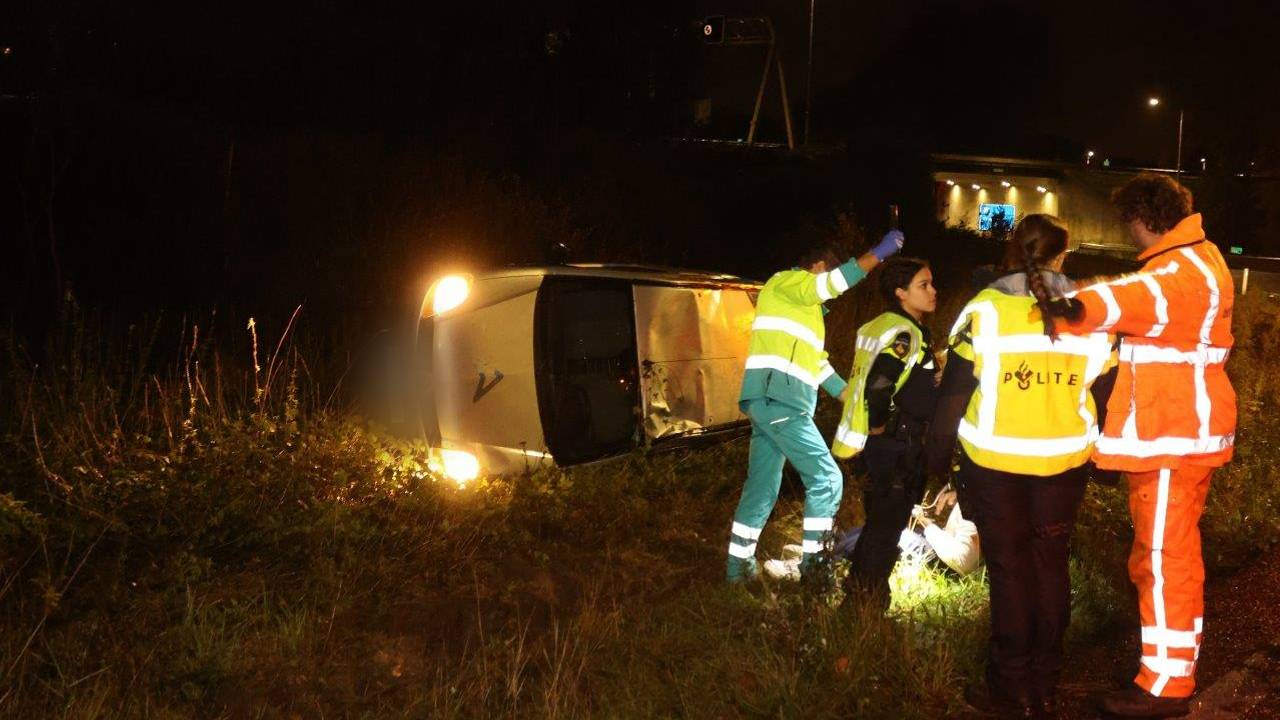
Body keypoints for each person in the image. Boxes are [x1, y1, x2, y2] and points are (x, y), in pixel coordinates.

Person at [1048, 174, 1235, 718]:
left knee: (1161, 559)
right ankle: (1173, 667)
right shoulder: (1198, 258)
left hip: (1172, 436)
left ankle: (1166, 686)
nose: (1129, 236)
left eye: (1128, 224)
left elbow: (1133, 299)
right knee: (1169, 556)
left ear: (1143, 218)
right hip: (1179, 433)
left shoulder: (1179, 272)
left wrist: (1070, 307)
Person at [927, 214, 1118, 718]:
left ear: (1014, 250)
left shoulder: (983, 311)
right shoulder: (1093, 316)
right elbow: (1109, 392)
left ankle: (1009, 690)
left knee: (1010, 572)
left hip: (994, 466)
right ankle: (1046, 684)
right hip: (1064, 466)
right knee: (1050, 567)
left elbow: (952, 395)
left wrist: (933, 457)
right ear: (1063, 257)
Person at [726, 229, 905, 584]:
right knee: (826, 479)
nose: (832, 296)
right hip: (781, 400)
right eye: (830, 276)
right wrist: (877, 255)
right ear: (819, 267)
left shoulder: (803, 311)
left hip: (771, 401)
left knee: (762, 487)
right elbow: (828, 285)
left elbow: (818, 366)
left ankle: (737, 569)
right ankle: (816, 570)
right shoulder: (787, 283)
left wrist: (855, 398)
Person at [829, 257, 940, 608]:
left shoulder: (881, 325)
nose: (933, 291)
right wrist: (880, 425)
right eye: (923, 285)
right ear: (900, 293)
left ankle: (859, 590)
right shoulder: (905, 332)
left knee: (878, 522)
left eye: (931, 283)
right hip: (896, 443)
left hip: (882, 444)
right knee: (886, 528)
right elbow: (879, 384)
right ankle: (867, 602)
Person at [767, 484, 980, 581]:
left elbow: (963, 560)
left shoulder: (979, 504)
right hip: (937, 550)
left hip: (944, 565)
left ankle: (815, 569)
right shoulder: (973, 492)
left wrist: (927, 524)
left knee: (884, 536)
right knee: (876, 526)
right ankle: (821, 554)